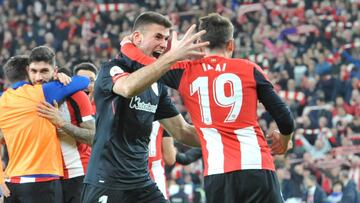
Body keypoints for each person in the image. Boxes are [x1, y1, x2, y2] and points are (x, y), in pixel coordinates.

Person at [121, 13, 295, 202]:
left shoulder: (184, 71)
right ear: (231, 45)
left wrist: (126, 44)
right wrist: (284, 141)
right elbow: (284, 117)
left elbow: (143, 63)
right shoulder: (249, 69)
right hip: (257, 167)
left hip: (217, 174)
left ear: (201, 45)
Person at [81, 11, 208, 203]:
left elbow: (182, 132)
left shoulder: (158, 85)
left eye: (166, 38)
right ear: (137, 38)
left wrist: (232, 137)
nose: (164, 44)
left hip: (141, 183)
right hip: (106, 181)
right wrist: (172, 59)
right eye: (157, 37)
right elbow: (128, 87)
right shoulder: (112, 69)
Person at [0, 55, 89, 202]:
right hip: (42, 180)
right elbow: (83, 81)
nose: (38, 76)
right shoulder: (41, 93)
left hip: (12, 183)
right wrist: (61, 77)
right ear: (28, 71)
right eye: (34, 71)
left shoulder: (2, 99)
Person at [28, 46, 95, 203]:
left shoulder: (76, 95)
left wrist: (62, 123)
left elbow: (93, 137)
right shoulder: (26, 97)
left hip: (77, 174)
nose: (38, 77)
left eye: (44, 71)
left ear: (55, 70)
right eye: (34, 71)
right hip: (45, 177)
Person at [148, 121, 177, 199]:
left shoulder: (118, 110)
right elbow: (170, 159)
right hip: (153, 172)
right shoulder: (163, 113)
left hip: (123, 171)